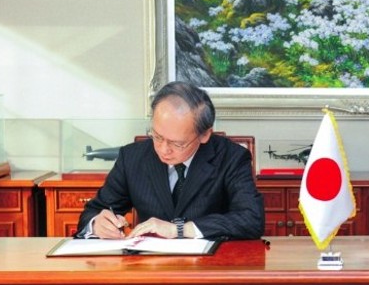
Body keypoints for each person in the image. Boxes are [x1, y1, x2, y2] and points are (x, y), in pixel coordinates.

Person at [76, 81, 264, 240]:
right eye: (157, 136)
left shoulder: (231, 158)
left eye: (177, 143)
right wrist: (97, 224)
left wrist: (180, 230)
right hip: (149, 269)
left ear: (205, 134)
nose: (163, 149)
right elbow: (92, 212)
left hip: (210, 269)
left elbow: (251, 219)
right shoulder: (132, 158)